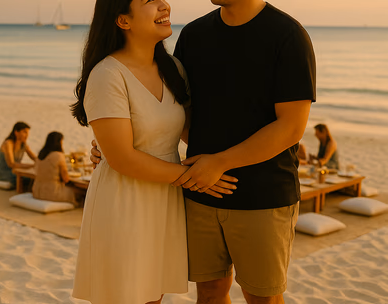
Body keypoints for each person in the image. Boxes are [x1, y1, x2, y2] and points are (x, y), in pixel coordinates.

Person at [91, 0, 316, 303]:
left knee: (263, 297)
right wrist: (113, 145)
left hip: (262, 193)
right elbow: (176, 111)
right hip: (198, 194)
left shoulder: (287, 34)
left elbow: (291, 127)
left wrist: (220, 163)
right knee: (209, 293)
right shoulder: (195, 35)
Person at [70, 0, 236, 303]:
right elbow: (122, 159)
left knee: (152, 296)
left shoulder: (173, 69)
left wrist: (224, 160)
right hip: (124, 200)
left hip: (165, 200)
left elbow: (188, 131)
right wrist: (198, 177)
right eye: (150, 1)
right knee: (123, 294)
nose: (164, 5)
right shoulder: (108, 74)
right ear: (123, 21)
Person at [32, 132, 80, 206]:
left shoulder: (40, 155)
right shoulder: (58, 155)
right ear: (59, 142)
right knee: (80, 192)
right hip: (52, 193)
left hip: (37, 191)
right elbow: (66, 179)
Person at [0, 122, 36, 188]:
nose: (27, 135)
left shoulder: (23, 144)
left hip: (15, 170)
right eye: (24, 132)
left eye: (27, 133)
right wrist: (31, 166)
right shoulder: (8, 143)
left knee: (35, 178)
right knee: (29, 179)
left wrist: (42, 163)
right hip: (3, 172)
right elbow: (11, 164)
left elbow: (34, 157)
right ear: (16, 132)